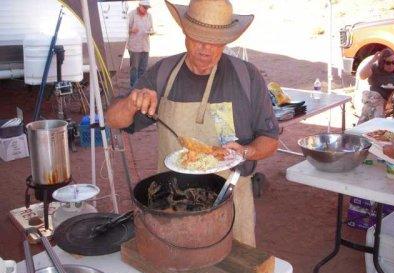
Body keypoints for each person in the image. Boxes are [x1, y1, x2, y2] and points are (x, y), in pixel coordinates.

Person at [106, 0, 279, 247]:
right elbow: (113, 119)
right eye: (198, 37)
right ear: (185, 33)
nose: (206, 48)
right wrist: (133, 103)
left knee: (234, 271)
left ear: (226, 41)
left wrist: (246, 151)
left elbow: (270, 140)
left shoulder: (246, 77)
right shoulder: (163, 73)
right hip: (172, 203)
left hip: (230, 200)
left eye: (216, 40)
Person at [358, 48, 394, 124]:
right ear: (382, 62)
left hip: (381, 101)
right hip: (371, 97)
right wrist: (373, 60)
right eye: (388, 63)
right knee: (373, 101)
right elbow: (362, 76)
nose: (391, 65)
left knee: (369, 120)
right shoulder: (375, 68)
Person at [127, 0, 154, 87]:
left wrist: (151, 32)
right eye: (145, 7)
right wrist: (131, 30)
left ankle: (141, 86)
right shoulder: (131, 14)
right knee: (134, 68)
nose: (146, 10)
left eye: (147, 8)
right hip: (134, 46)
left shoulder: (149, 16)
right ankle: (134, 87)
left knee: (143, 68)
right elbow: (124, 29)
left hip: (145, 46)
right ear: (140, 6)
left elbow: (151, 28)